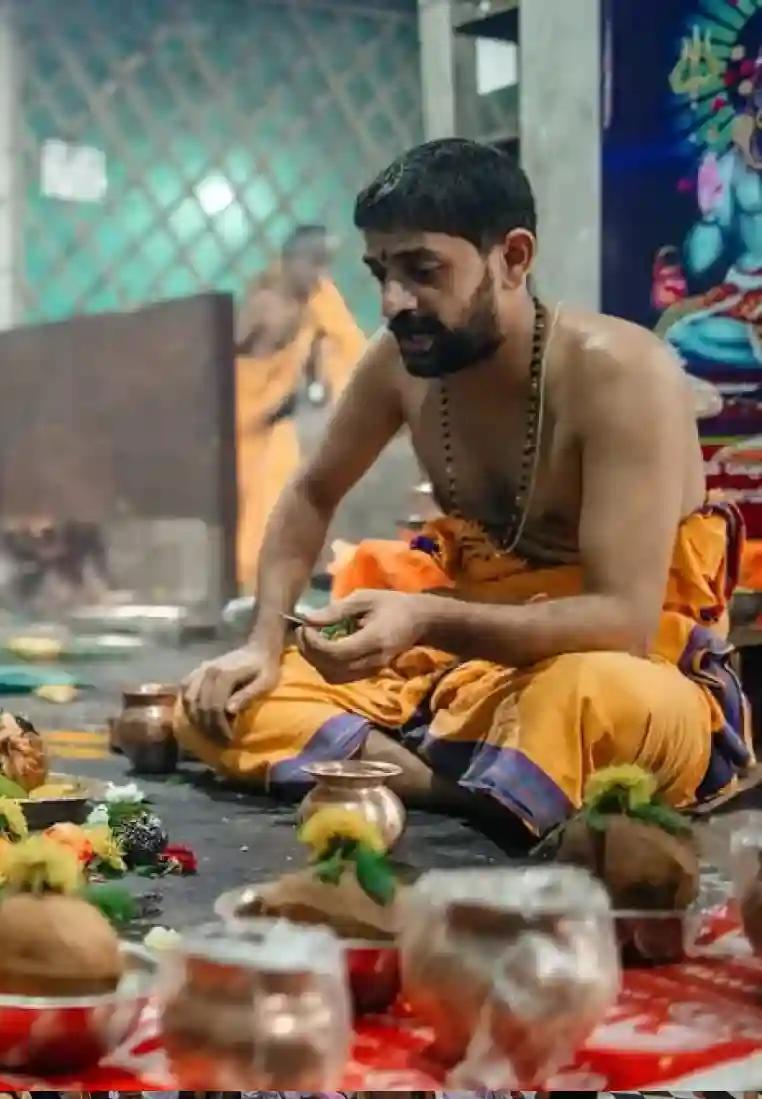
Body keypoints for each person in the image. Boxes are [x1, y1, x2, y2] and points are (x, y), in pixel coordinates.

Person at [180, 139, 754, 840]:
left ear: (513, 257)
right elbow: (310, 493)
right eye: (380, 273)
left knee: (594, 698)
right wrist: (264, 643)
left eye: (423, 271)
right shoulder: (399, 364)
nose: (393, 302)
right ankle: (474, 789)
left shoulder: (620, 373)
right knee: (218, 701)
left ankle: (381, 768)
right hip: (466, 663)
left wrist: (424, 617)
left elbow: (622, 621)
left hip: (624, 662)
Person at [234, 225, 368, 589]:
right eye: (312, 263)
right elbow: (223, 359)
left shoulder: (315, 308)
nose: (320, 275)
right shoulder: (264, 304)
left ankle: (271, 585)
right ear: (289, 261)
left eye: (325, 265)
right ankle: (246, 585)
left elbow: (331, 358)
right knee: (246, 511)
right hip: (239, 424)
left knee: (284, 499)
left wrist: (319, 383)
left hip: (276, 422)